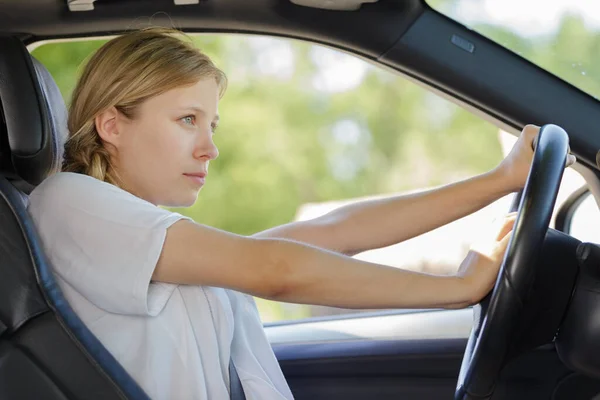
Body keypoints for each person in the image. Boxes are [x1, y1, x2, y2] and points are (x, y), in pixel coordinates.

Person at [27, 28, 574, 400]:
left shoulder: (139, 235)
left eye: (211, 125)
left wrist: (498, 180)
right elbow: (276, 270)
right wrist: (458, 286)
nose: (208, 148)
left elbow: (330, 234)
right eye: (186, 119)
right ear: (111, 124)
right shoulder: (69, 204)